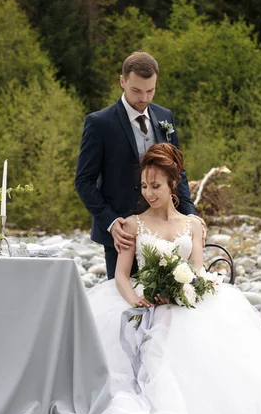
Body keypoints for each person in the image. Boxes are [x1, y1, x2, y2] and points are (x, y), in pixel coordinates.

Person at [87, 143, 261, 414]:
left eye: (155, 185)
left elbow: (197, 270)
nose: (148, 193)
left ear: (174, 184)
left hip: (184, 299)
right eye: (143, 185)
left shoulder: (193, 224)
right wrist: (136, 301)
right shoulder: (133, 224)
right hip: (146, 300)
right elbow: (121, 276)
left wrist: (182, 291)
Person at [75, 51, 196, 280]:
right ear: (122, 81)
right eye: (137, 90)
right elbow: (84, 182)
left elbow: (178, 171)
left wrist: (190, 214)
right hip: (123, 234)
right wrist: (111, 222)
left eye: (150, 90)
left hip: (167, 229)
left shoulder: (165, 116)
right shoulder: (99, 123)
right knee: (127, 307)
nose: (144, 98)